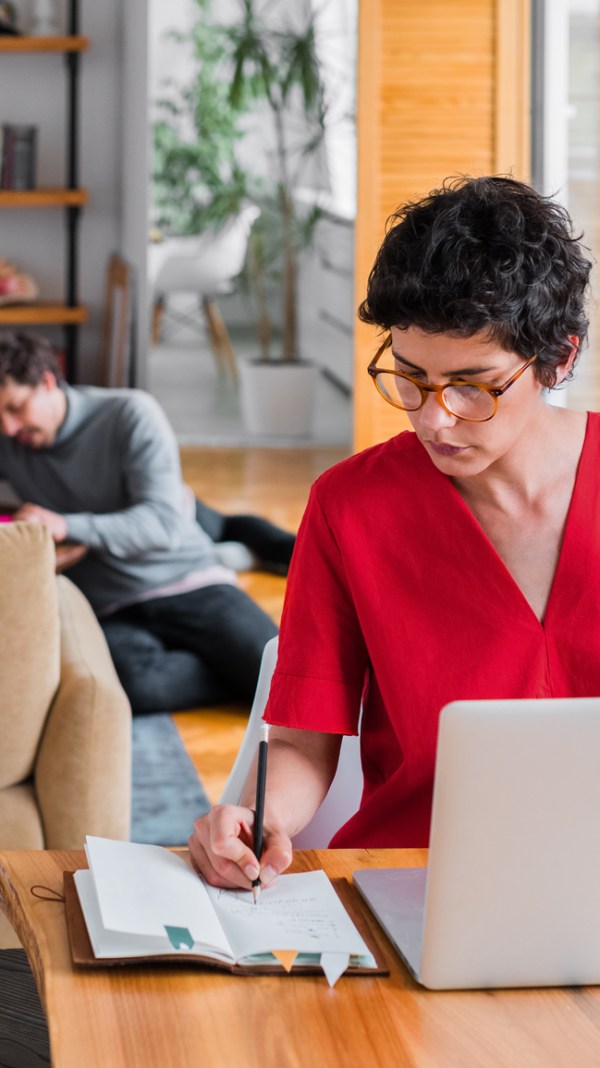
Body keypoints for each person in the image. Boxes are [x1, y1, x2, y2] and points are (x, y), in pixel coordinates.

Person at [189, 174, 599, 892]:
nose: (432, 418)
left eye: (473, 385)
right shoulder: (351, 508)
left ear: (559, 358)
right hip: (413, 886)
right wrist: (260, 817)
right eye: (409, 377)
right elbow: (304, 741)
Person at [0, 331, 291, 712]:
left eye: (16, 408)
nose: (8, 427)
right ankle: (235, 674)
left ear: (47, 382)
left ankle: (247, 562)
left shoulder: (130, 414)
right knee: (137, 689)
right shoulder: (11, 440)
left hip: (185, 579)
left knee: (280, 681)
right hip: (111, 605)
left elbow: (163, 526)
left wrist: (67, 526)